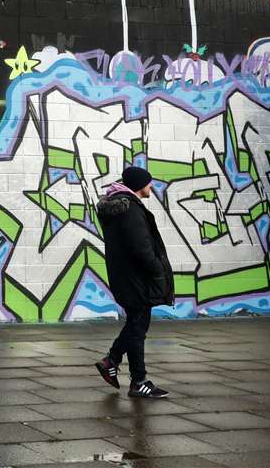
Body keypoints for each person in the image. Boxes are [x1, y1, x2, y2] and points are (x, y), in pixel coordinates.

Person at [95, 165, 172, 398]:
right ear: (140, 185)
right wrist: (158, 271)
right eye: (149, 183)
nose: (152, 187)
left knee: (136, 325)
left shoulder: (120, 208)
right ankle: (137, 380)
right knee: (138, 328)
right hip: (136, 279)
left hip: (126, 278)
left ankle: (113, 361)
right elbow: (141, 249)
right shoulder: (130, 211)